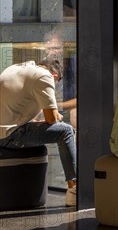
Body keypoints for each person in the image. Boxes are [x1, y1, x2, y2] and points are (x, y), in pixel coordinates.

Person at [0, 59, 77, 206]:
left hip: (4, 131)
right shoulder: (44, 76)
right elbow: (51, 119)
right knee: (66, 131)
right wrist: (56, 116)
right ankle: (73, 190)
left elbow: (19, 107)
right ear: (55, 76)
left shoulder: (15, 69)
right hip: (10, 135)